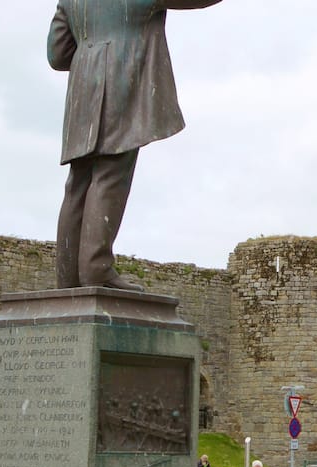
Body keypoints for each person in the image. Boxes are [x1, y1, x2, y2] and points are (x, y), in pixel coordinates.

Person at [47, 0, 221, 291]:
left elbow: (57, 54)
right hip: (121, 77)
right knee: (110, 174)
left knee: (77, 182)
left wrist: (93, 48)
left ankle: (68, 277)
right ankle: (96, 270)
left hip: (82, 88)